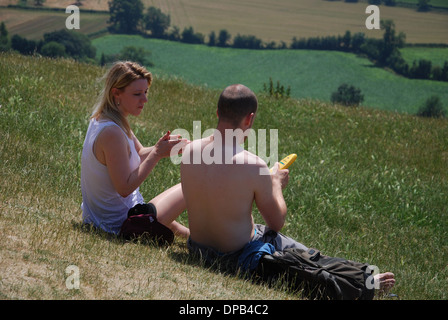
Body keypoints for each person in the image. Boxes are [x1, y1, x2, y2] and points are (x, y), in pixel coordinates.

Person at [180, 84, 395, 291]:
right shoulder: (254, 166)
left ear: (217, 112)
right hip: (237, 257)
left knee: (278, 240)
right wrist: (275, 184)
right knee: (304, 256)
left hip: (197, 249)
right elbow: (276, 222)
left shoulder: (190, 151)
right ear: (250, 118)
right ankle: (364, 280)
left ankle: (362, 277)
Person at [81, 61, 189, 240]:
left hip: (123, 215)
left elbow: (137, 153)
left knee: (186, 233)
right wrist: (156, 154)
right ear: (116, 93)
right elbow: (124, 187)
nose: (145, 100)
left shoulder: (107, 120)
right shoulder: (112, 132)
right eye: (137, 94)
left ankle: (219, 242)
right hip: (123, 225)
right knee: (192, 182)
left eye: (145, 92)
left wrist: (164, 148)